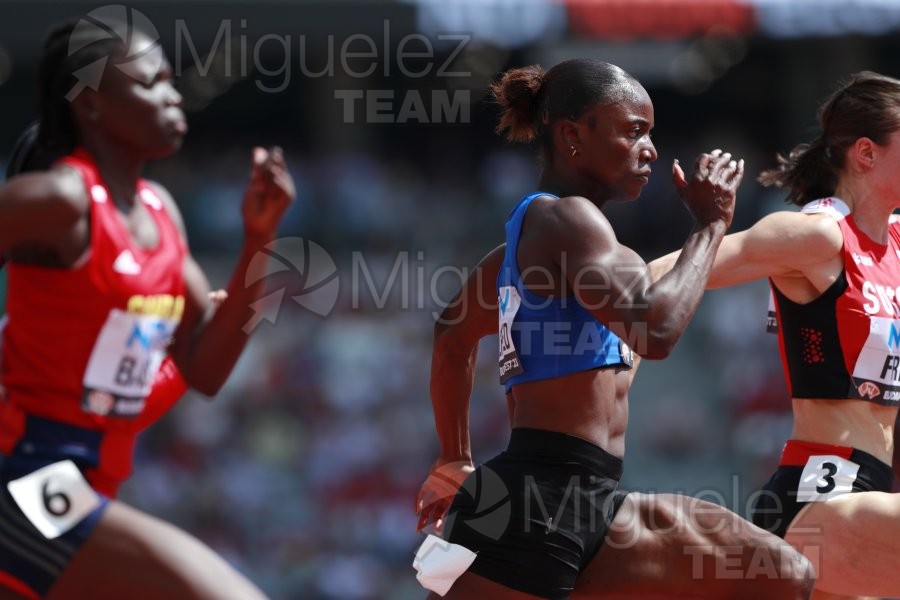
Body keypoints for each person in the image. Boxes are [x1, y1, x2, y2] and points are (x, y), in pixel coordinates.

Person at [413, 58, 813, 599]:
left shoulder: (531, 243)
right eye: (633, 131)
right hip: (530, 507)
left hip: (593, 502)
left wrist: (453, 456)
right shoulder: (566, 221)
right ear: (574, 135)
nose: (650, 147)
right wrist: (712, 226)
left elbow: (451, 333)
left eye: (650, 132)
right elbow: (658, 331)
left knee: (782, 574)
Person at [0, 18, 294, 600]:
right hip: (28, 479)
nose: (174, 93)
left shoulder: (161, 214)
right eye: (150, 81)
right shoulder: (60, 201)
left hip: (91, 485)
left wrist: (260, 239)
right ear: (91, 104)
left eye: (170, 78)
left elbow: (206, 370)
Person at [649, 70, 900, 599]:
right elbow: (680, 272)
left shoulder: (897, 244)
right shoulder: (817, 236)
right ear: (866, 153)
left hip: (873, 492)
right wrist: (575, 285)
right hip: (817, 501)